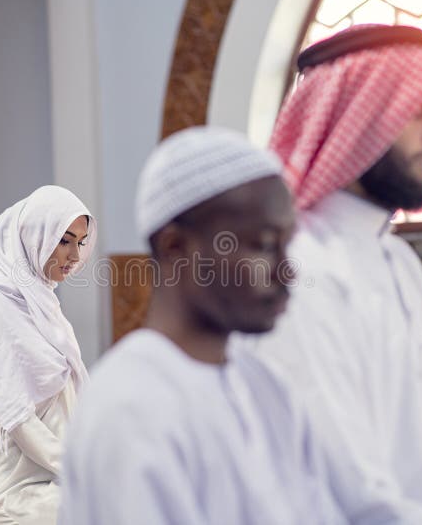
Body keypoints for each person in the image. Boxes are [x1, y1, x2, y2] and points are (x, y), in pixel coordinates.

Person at [255, 24, 422, 524]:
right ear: (356, 117)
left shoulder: (398, 262)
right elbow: (345, 488)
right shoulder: (295, 272)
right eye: (418, 107)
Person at [58, 126, 345, 525]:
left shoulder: (266, 386)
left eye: (287, 244)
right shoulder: (129, 409)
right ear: (176, 247)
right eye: (263, 244)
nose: (287, 271)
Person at [0, 185, 96, 524]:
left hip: (59, 473)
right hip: (13, 489)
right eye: (64, 240)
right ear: (33, 236)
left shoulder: (43, 303)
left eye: (81, 242)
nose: (75, 256)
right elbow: (18, 418)